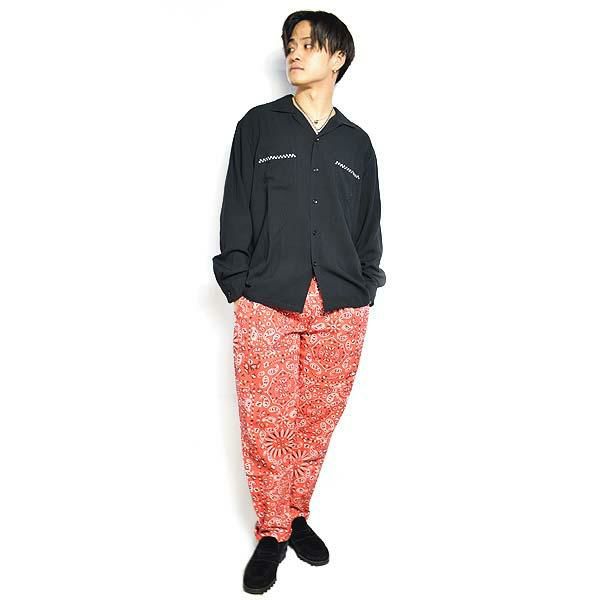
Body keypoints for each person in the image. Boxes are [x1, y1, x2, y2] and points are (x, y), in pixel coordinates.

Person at [212, 10, 386, 594]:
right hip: (267, 297)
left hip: (341, 303)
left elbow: (368, 226)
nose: (294, 53)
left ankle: (296, 513)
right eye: (291, 44)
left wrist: (366, 287)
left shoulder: (357, 145)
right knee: (267, 423)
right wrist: (238, 285)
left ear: (338, 58)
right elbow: (236, 207)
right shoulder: (258, 127)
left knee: (314, 422)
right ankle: (271, 531)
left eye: (309, 45)